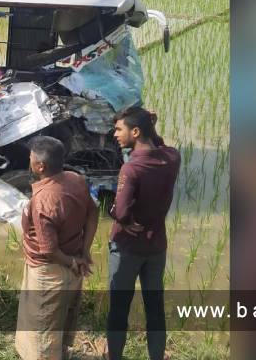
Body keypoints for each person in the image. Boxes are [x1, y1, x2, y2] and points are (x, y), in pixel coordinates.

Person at [105, 106, 180, 360]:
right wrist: (152, 129)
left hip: (128, 247)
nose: (115, 133)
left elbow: (122, 211)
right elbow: (158, 145)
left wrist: (118, 216)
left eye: (119, 129)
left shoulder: (131, 169)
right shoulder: (172, 157)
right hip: (156, 246)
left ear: (135, 131)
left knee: (118, 308)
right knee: (155, 308)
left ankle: (114, 355)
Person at [15, 136, 99, 360]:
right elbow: (94, 212)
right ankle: (60, 352)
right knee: (63, 316)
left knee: (43, 322)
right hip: (72, 262)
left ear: (40, 165)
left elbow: (48, 250)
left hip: (49, 270)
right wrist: (84, 252)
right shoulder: (76, 179)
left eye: (31, 157)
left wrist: (73, 261)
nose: (29, 160)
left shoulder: (43, 201)